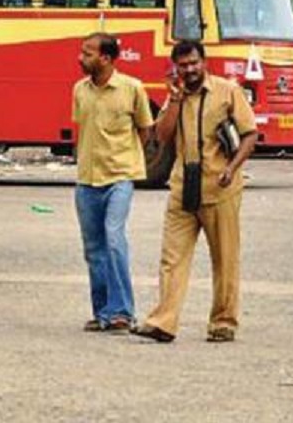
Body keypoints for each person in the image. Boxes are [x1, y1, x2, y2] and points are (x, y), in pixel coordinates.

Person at [133, 40, 257, 343]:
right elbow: (161, 136)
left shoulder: (228, 92)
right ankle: (164, 322)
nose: (189, 70)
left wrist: (233, 168)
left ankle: (223, 322)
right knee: (172, 258)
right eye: (183, 65)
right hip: (182, 186)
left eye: (193, 63)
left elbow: (249, 134)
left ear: (204, 62)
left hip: (220, 186)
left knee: (225, 257)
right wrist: (173, 101)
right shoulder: (176, 96)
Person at [72, 33, 154, 333]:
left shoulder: (132, 89)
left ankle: (122, 311)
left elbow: (146, 131)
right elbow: (81, 130)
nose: (81, 58)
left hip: (119, 176)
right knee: (93, 248)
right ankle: (103, 311)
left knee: (114, 239)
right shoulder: (80, 90)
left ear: (106, 58)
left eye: (88, 53)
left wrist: (129, 160)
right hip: (86, 180)